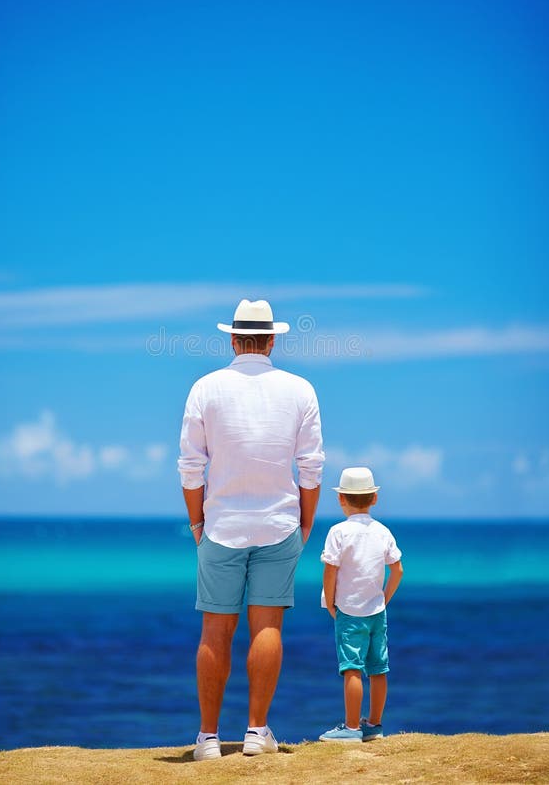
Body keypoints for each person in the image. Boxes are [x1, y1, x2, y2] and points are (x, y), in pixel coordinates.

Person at [178, 299, 324, 760]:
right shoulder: (301, 390)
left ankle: (207, 739)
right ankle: (257, 731)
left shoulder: (205, 388)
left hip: (220, 524)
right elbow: (311, 468)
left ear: (234, 339)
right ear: (273, 340)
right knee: (268, 626)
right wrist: (304, 523)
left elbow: (190, 467)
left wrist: (198, 522)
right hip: (280, 523)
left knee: (214, 631)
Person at [319, 467, 403, 743]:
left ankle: (352, 728)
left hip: (349, 611)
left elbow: (330, 570)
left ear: (341, 498)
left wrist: (331, 602)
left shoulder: (338, 532)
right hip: (377, 611)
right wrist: (384, 598)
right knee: (378, 668)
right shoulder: (382, 531)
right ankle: (374, 725)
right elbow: (398, 570)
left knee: (351, 667)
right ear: (374, 499)